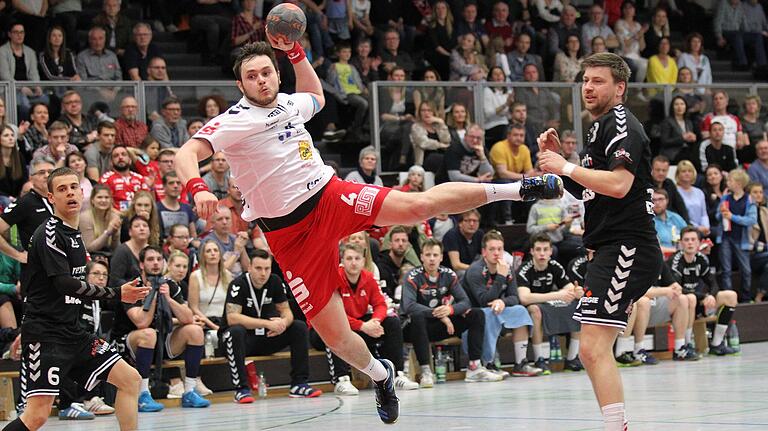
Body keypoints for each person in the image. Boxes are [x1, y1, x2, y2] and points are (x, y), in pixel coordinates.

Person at [176, 39, 561, 424]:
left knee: (417, 206)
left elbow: (314, 94)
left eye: (266, 72)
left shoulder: (290, 103)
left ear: (276, 75)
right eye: (251, 76)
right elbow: (186, 154)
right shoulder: (234, 120)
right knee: (335, 337)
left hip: (330, 197)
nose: (261, 80)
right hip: (290, 236)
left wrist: (295, 52)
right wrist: (198, 187)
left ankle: (521, 188)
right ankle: (382, 375)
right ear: (240, 85)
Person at [537, 52, 663, 430]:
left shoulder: (622, 124)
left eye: (598, 81)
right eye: (585, 80)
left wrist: (564, 167)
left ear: (620, 87)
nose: (588, 87)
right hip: (613, 248)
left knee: (592, 348)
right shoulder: (599, 129)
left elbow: (620, 185)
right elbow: (590, 191)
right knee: (594, 348)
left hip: (628, 247)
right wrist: (563, 162)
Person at [4, 167, 148, 431]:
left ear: (82, 192)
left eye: (73, 187)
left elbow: (40, 287)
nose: (69, 192)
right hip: (46, 336)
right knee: (37, 415)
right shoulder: (49, 233)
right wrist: (116, 294)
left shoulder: (74, 234)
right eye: (61, 189)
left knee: (130, 380)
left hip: (73, 333)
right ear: (50, 198)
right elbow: (64, 284)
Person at [109, 245, 211, 412]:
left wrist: (168, 299)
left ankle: (190, 391)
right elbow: (141, 322)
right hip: (127, 343)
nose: (155, 263)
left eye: (158, 259)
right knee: (148, 333)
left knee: (195, 331)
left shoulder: (169, 284)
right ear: (141, 264)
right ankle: (142, 394)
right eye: (150, 260)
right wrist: (154, 296)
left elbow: (187, 318)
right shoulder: (132, 287)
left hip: (158, 340)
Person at [310, 243, 418, 395]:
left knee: (392, 322)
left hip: (358, 325)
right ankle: (342, 380)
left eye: (357, 258)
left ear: (363, 261)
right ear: (342, 260)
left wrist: (375, 321)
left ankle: (396, 375)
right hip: (325, 329)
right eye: (349, 258)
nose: (353, 262)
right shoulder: (333, 278)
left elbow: (380, 304)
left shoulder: (368, 277)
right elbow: (332, 315)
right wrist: (363, 326)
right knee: (335, 329)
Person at [222, 249, 322, 402]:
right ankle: (241, 389)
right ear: (249, 267)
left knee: (298, 327)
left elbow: (287, 312)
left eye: (267, 268)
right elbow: (232, 318)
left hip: (266, 337)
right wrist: (267, 323)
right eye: (258, 268)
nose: (263, 273)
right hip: (241, 340)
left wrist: (283, 323)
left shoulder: (274, 281)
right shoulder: (238, 284)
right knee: (236, 331)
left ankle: (299, 384)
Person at [401, 238, 502, 386]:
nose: (431, 259)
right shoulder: (412, 276)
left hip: (441, 326)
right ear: (421, 257)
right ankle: (426, 372)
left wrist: (450, 310)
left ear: (441, 257)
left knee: (476, 314)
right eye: (428, 255)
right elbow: (409, 306)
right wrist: (438, 313)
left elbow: (465, 302)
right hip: (415, 328)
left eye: (435, 255)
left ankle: (474, 367)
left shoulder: (449, 274)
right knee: (417, 316)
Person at [462, 231, 542, 377]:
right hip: (473, 315)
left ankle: (521, 363)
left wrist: (502, 301)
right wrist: (500, 276)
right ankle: (488, 363)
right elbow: (483, 301)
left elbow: (514, 297)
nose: (496, 253)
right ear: (484, 252)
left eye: (500, 249)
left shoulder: (507, 267)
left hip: (496, 309)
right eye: (492, 249)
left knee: (520, 310)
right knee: (490, 313)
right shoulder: (475, 270)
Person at [516, 234, 583, 375]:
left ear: (551, 251)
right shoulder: (524, 269)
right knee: (535, 310)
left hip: (548, 304)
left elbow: (569, 288)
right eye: (538, 249)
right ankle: (540, 358)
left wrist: (576, 292)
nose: (542, 253)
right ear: (532, 251)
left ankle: (572, 358)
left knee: (578, 307)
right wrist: (558, 295)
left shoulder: (554, 266)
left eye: (545, 249)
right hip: (531, 307)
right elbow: (524, 298)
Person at [669, 227, 739, 355]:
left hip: (698, 303)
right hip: (680, 306)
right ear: (681, 243)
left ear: (699, 243)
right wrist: (703, 296)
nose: (690, 243)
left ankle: (717, 344)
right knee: (690, 298)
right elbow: (678, 289)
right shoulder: (676, 261)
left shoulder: (701, 259)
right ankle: (686, 344)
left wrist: (711, 296)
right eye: (686, 240)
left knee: (730, 295)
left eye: (693, 240)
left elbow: (713, 283)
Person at [0, 157, 55, 265]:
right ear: (31, 178)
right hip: (37, 271)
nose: (47, 175)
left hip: (60, 267)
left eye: (51, 172)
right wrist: (17, 255)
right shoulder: (25, 203)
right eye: (41, 172)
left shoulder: (60, 200)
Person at [716, 168, 757, 303]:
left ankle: (746, 297)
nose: (727, 182)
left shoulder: (748, 200)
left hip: (741, 239)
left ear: (739, 183)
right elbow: (717, 216)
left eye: (730, 180)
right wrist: (721, 212)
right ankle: (729, 299)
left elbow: (751, 220)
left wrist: (732, 217)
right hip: (726, 237)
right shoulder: (725, 198)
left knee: (746, 270)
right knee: (726, 270)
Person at [100, 145, 149, 211]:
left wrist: (151, 187)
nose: (120, 157)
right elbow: (103, 205)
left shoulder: (140, 178)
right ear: (111, 163)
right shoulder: (105, 179)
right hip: (117, 217)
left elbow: (149, 201)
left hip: (139, 216)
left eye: (124, 154)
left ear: (130, 160)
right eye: (116, 156)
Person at [79, 184, 121, 254]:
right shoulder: (85, 218)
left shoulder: (114, 217)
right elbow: (89, 248)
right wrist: (108, 232)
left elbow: (115, 248)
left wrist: (116, 235)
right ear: (92, 200)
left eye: (107, 197)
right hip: (91, 256)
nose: (103, 200)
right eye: (99, 197)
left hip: (109, 254)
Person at [410, 100, 451, 171]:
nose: (426, 113)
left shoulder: (437, 126)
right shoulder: (416, 127)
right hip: (425, 160)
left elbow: (446, 140)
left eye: (429, 110)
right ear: (420, 112)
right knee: (440, 159)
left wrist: (441, 123)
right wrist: (440, 145)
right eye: (423, 110)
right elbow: (424, 143)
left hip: (442, 157)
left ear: (433, 112)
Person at [442, 209, 483, 274]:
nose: (472, 224)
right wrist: (477, 269)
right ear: (460, 223)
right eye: (468, 221)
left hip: (470, 266)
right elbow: (456, 265)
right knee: (463, 273)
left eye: (475, 221)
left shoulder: (479, 234)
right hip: (451, 271)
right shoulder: (452, 235)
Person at [651, 155, 690, 223]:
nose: (661, 173)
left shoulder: (670, 183)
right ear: (652, 169)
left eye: (664, 170)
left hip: (671, 221)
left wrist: (687, 224)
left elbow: (680, 206)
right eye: (658, 170)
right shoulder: (645, 185)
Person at [675, 160, 710, 236]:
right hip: (683, 229)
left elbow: (704, 214)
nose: (687, 173)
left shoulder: (699, 192)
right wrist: (696, 227)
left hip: (702, 230)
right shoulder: (675, 192)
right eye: (683, 171)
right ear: (678, 174)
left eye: (689, 171)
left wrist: (706, 227)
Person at [660, 96, 697, 163]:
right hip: (673, 153)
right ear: (672, 107)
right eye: (676, 104)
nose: (679, 107)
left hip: (687, 151)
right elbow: (664, 141)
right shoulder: (667, 122)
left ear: (686, 106)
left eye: (682, 104)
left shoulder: (688, 122)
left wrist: (692, 138)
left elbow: (689, 140)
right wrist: (682, 138)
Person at [482, 67, 513, 147]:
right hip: (491, 126)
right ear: (490, 78)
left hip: (505, 124)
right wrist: (506, 105)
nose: (499, 76)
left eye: (501, 73)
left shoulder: (507, 92)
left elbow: (507, 115)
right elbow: (488, 113)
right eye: (495, 74)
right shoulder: (487, 91)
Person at [652, 188, 689, 255]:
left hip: (682, 256)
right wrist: (677, 251)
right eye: (653, 200)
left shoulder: (675, 217)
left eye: (660, 199)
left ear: (667, 200)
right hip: (662, 259)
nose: (657, 203)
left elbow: (688, 234)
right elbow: (654, 247)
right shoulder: (648, 221)